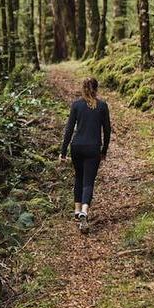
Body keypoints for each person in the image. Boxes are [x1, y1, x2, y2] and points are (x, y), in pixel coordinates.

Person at [59, 77, 112, 233]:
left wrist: (63, 151)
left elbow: (69, 130)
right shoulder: (102, 106)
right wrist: (104, 151)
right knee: (88, 181)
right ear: (96, 88)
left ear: (83, 88)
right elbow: (107, 131)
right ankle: (84, 211)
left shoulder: (76, 105)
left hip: (77, 147)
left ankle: (76, 211)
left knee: (78, 177)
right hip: (93, 148)